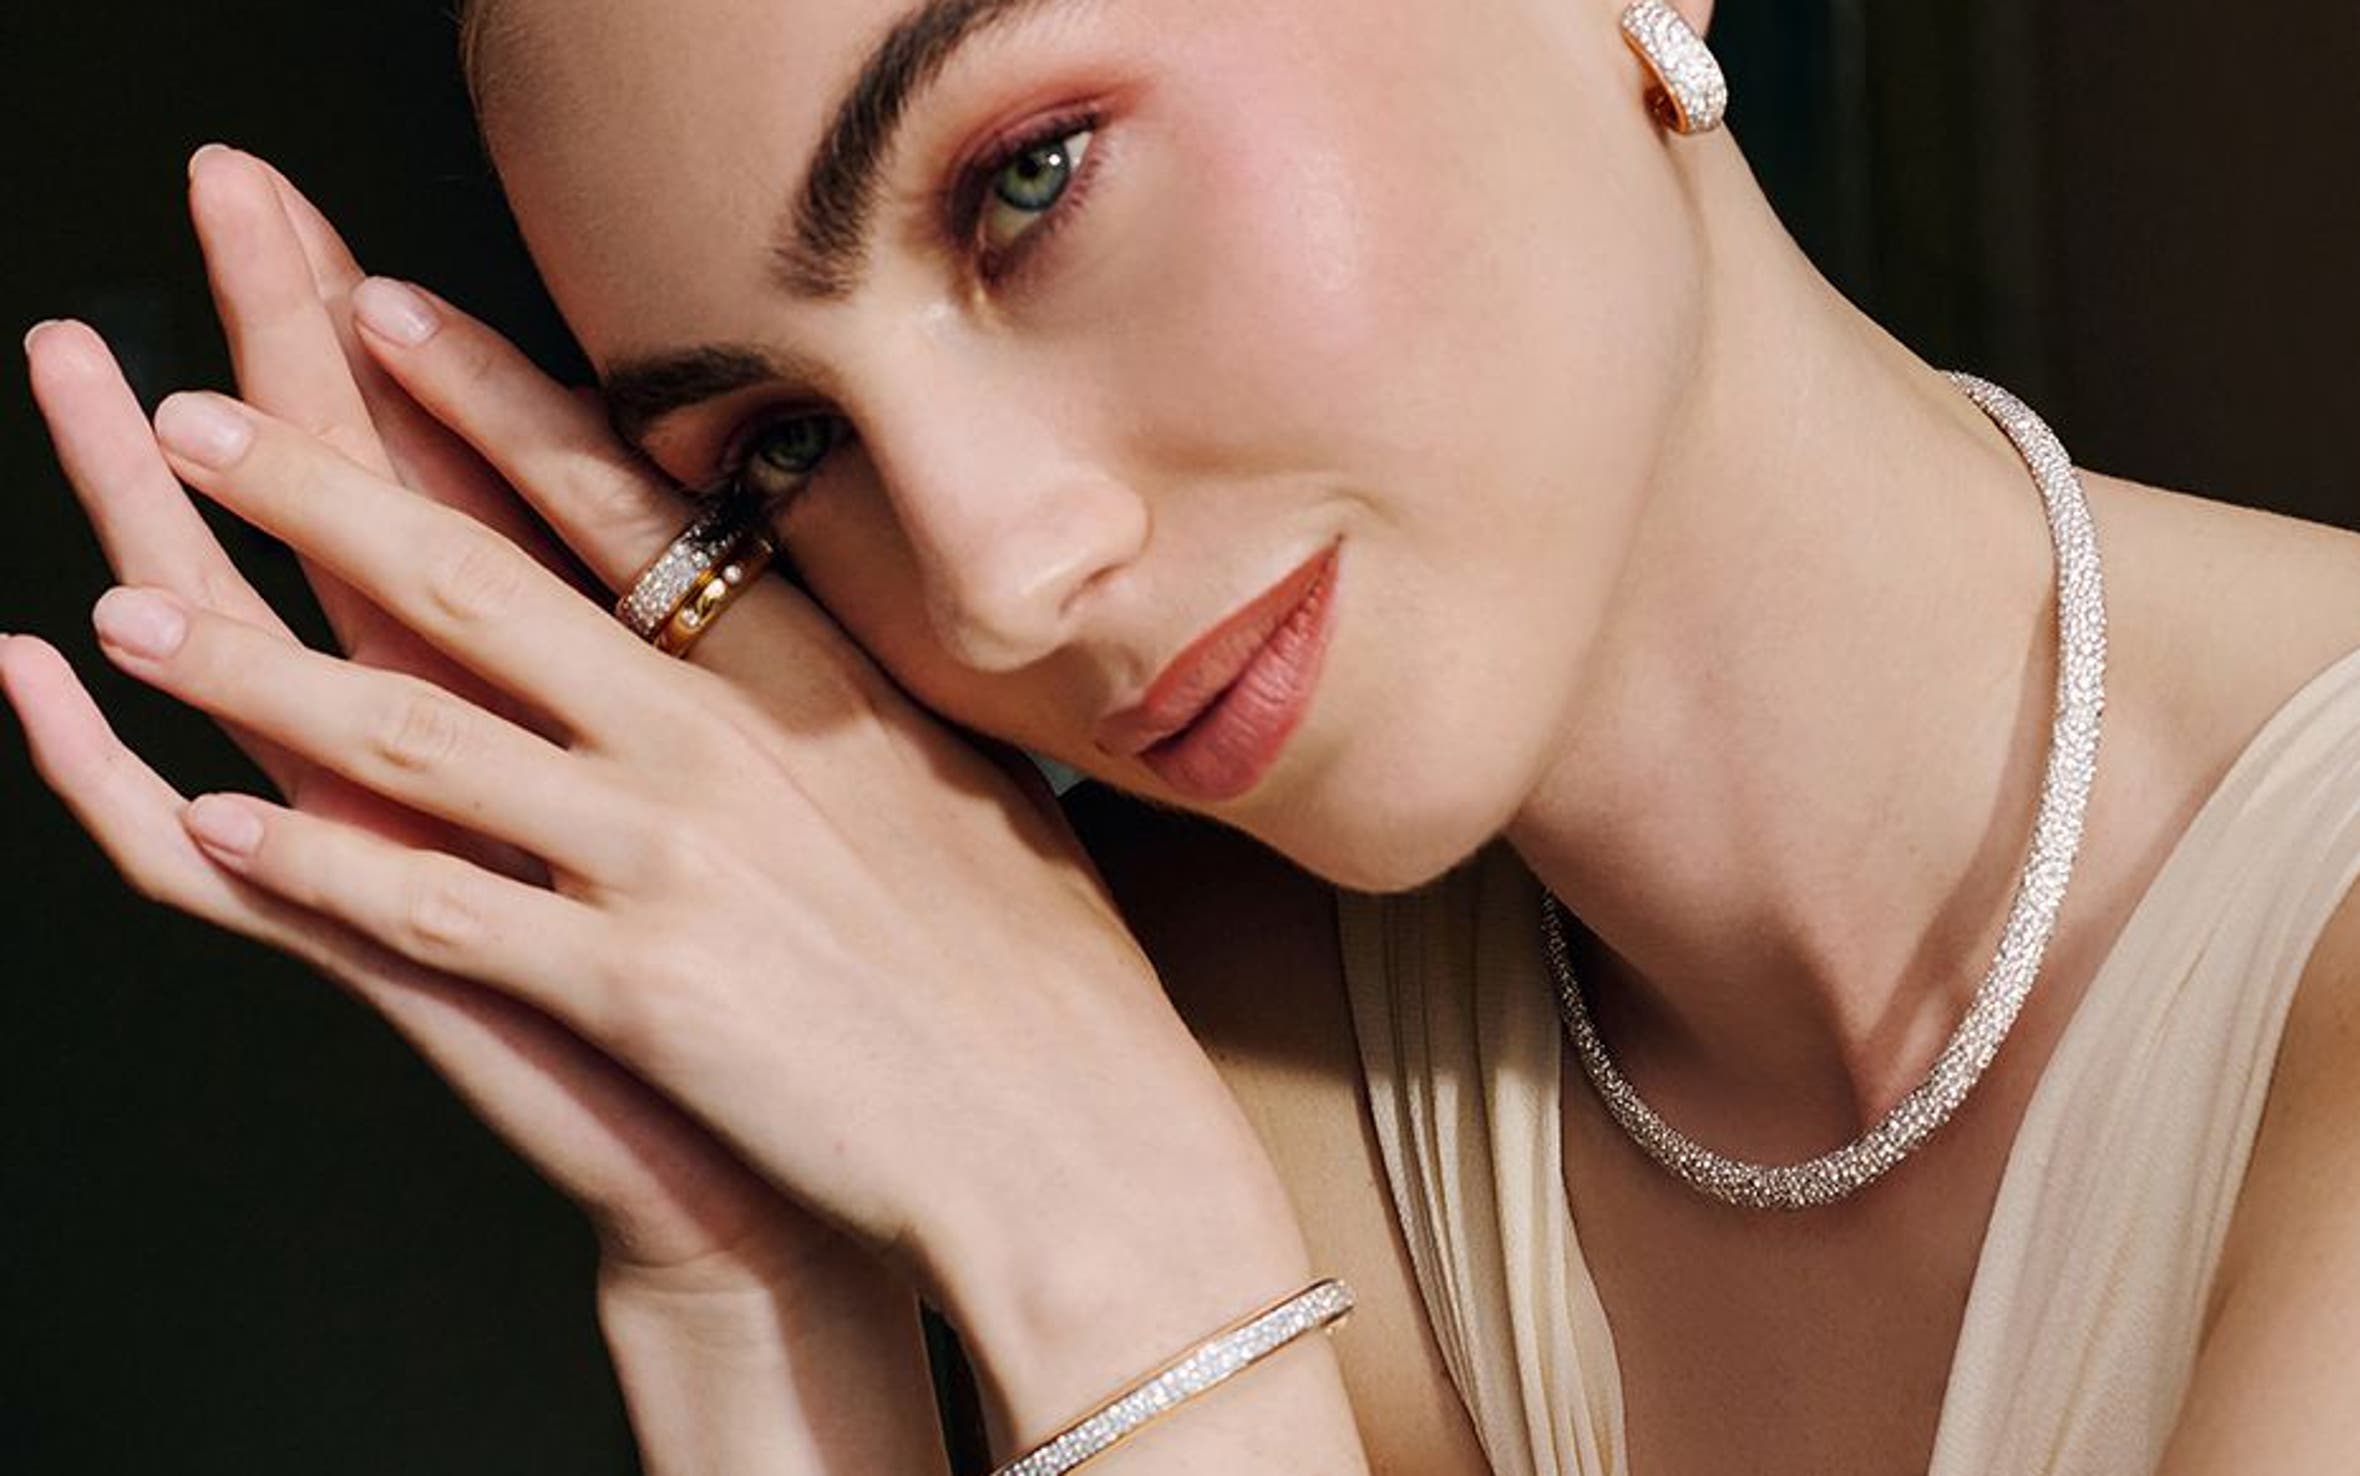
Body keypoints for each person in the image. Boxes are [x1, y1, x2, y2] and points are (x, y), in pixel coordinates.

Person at [9, 0, 2360, 1470]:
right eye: (778, 455)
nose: (997, 571)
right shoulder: (1178, 1047)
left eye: (1027, 180)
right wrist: (757, 1290)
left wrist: (1161, 1325)